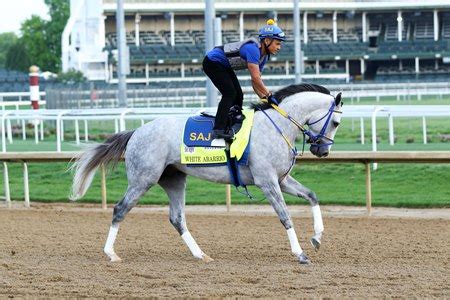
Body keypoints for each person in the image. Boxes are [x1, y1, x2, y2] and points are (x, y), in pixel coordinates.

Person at [202, 19, 286, 140]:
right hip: (212, 62)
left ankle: (234, 119)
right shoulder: (253, 50)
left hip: (224, 65)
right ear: (267, 41)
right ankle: (218, 129)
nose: (279, 47)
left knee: (239, 95)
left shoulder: (264, 57)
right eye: (277, 43)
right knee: (230, 93)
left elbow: (255, 82)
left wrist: (264, 99)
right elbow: (256, 79)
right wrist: (268, 95)